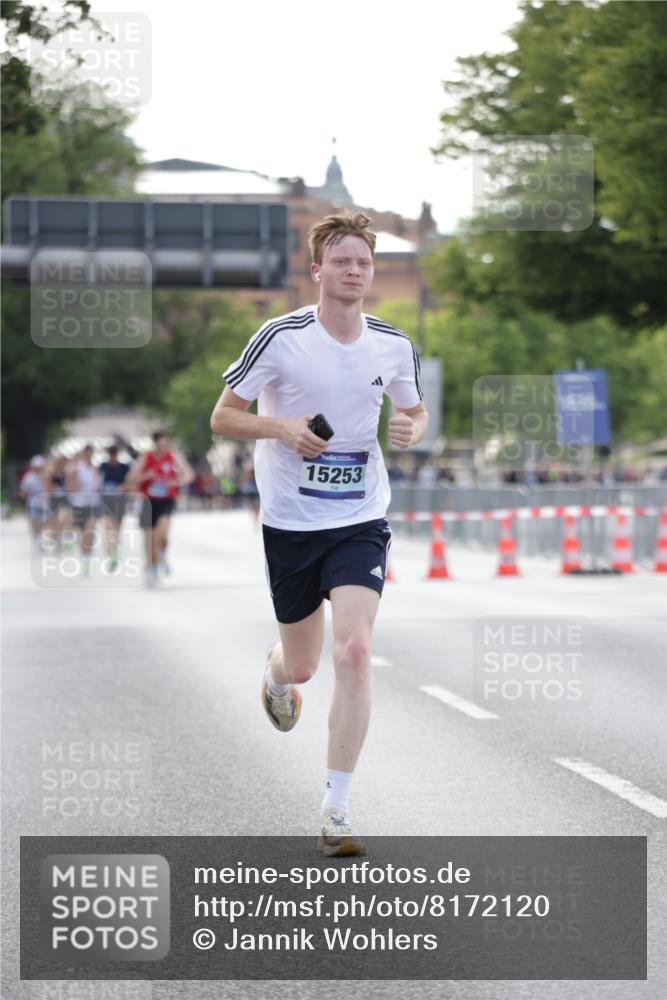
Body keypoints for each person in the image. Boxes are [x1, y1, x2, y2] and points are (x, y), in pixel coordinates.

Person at [210, 211, 428, 856]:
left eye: (363, 262)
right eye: (342, 261)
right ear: (317, 271)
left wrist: (410, 428)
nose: (354, 271)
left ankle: (336, 810)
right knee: (304, 665)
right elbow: (223, 417)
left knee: (354, 651)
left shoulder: (392, 344)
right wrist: (281, 428)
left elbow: (415, 410)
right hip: (291, 522)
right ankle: (277, 675)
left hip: (360, 516)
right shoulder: (280, 338)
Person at [126, 430, 194, 587]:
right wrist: (146, 476)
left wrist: (176, 482)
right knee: (149, 537)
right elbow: (130, 478)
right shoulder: (145, 458)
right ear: (155, 444)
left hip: (165, 501)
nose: (163, 448)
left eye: (166, 445)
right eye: (161, 445)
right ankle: (152, 567)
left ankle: (162, 555)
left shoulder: (173, 457)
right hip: (147, 501)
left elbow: (189, 475)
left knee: (161, 535)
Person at [65, 444, 102, 576]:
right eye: (87, 453)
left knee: (90, 532)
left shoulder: (96, 469)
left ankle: (88, 558)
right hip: (78, 504)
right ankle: (84, 555)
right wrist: (74, 485)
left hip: (92, 504)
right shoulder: (75, 468)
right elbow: (68, 487)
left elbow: (98, 486)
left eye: (91, 453)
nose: (89, 455)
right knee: (82, 534)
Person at [99, 445, 131, 572]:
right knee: (108, 529)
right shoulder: (103, 466)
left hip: (119, 503)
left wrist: (123, 487)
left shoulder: (124, 467)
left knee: (117, 530)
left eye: (114, 453)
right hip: (106, 502)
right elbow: (97, 481)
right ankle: (110, 554)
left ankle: (114, 550)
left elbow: (130, 482)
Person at [19, 455, 49, 547]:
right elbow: (23, 492)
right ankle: (37, 539)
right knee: (35, 522)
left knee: (44, 523)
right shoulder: (28, 477)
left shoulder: (48, 475)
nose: (38, 469)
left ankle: (42, 538)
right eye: (37, 467)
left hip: (46, 504)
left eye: (40, 466)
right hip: (33, 504)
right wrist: (28, 495)